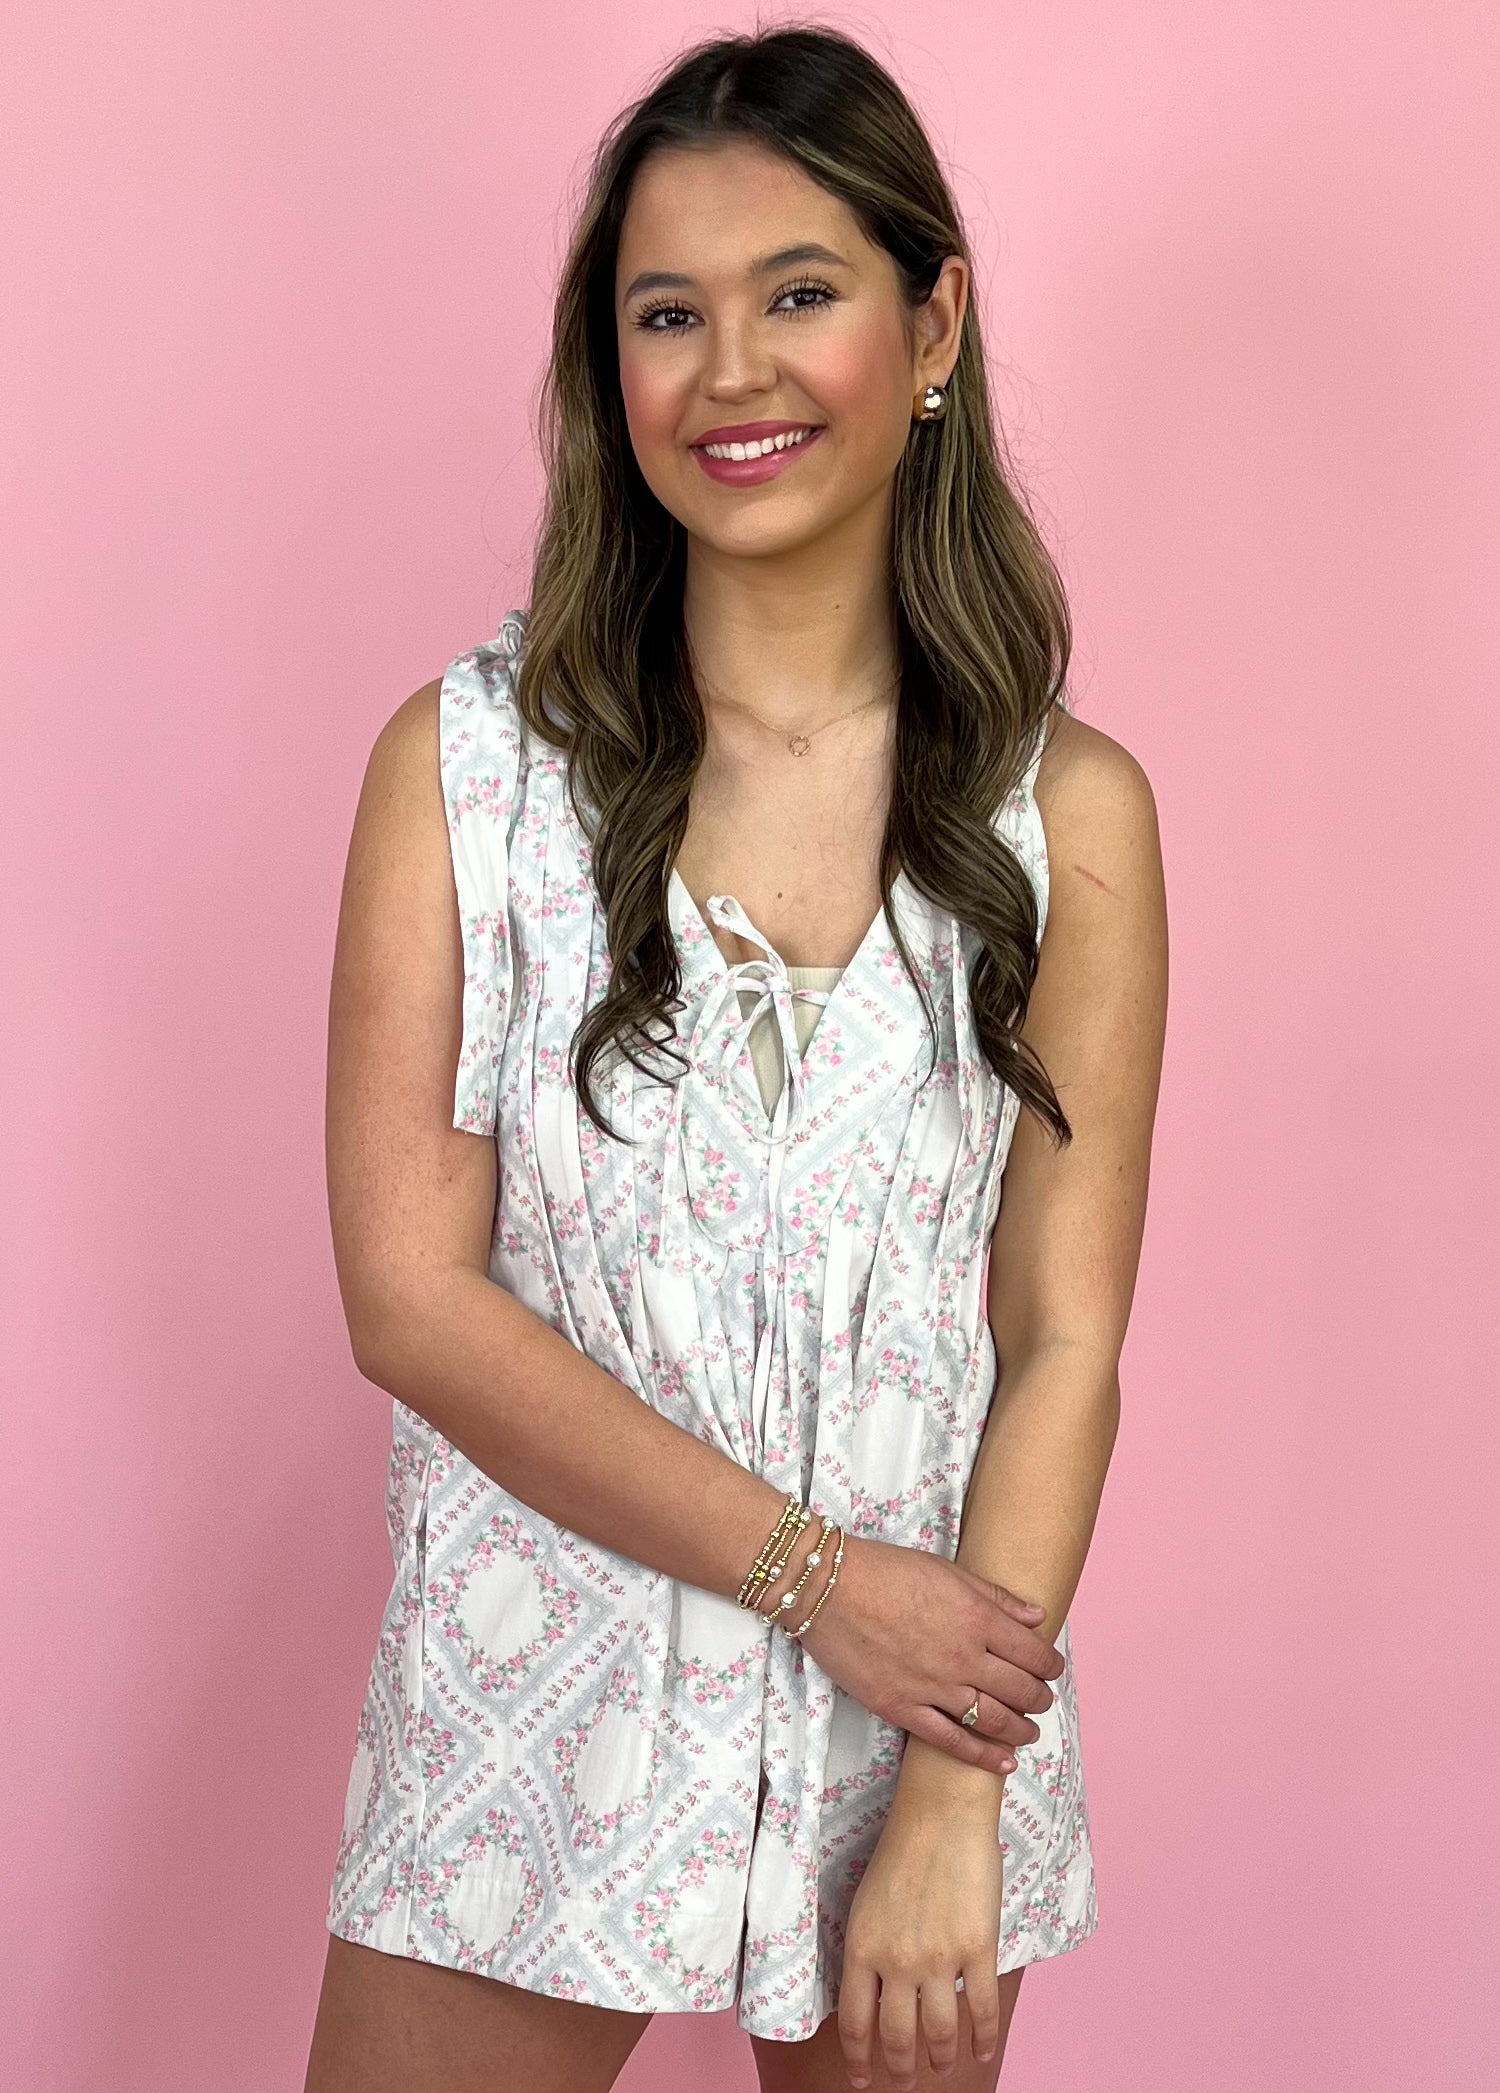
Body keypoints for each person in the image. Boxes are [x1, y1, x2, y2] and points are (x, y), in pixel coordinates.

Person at [304, 24, 1166, 2093]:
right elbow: (410, 1299)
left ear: (930, 325)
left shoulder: (1071, 820)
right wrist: (814, 1580)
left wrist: (953, 1790)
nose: (731, 374)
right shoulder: (466, 777)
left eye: (799, 294)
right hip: (534, 1701)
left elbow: (1061, 1336)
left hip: (924, 1717)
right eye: (666, 315)